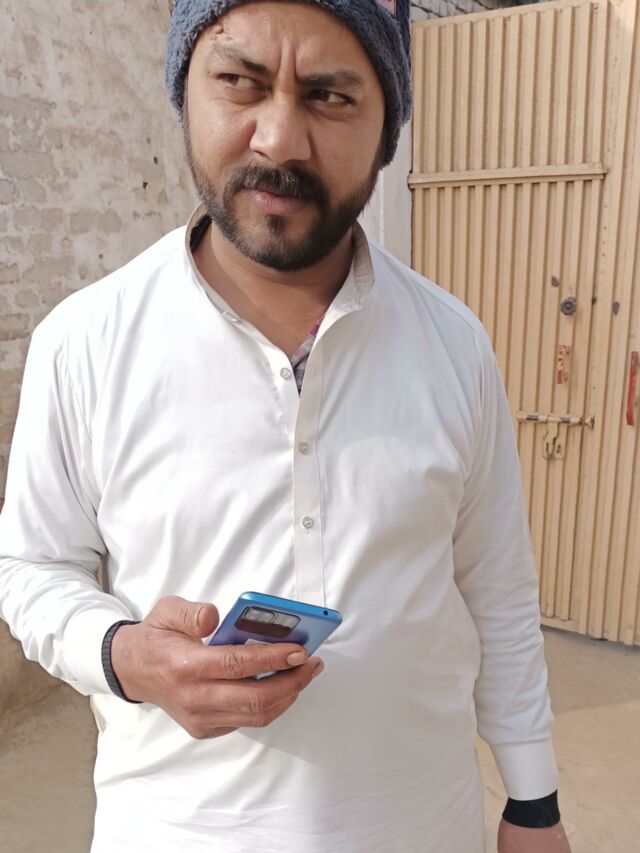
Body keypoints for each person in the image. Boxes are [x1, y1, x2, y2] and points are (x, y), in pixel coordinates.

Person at [0, 1, 572, 851]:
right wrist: (121, 652)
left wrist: (533, 801)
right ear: (185, 92)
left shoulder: (453, 345)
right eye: (240, 81)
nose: (279, 140)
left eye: (330, 96)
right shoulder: (85, 341)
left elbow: (497, 588)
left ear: (387, 128)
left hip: (425, 825)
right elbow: (32, 566)